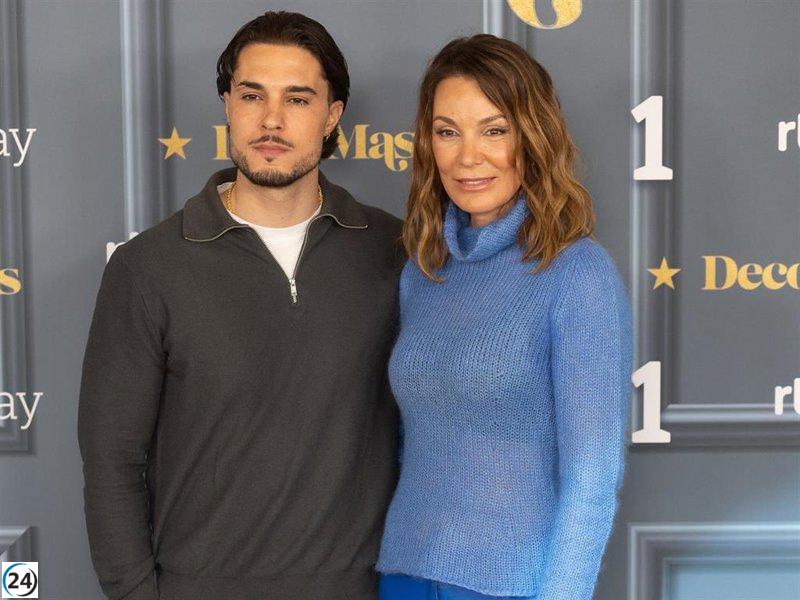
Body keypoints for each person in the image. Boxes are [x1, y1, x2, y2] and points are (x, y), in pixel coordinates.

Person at [78, 11, 403, 600]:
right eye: (252, 95)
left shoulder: (394, 250)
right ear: (228, 105)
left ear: (332, 116)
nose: (271, 120)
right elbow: (111, 459)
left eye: (297, 99)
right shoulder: (147, 266)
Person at [376, 34, 634, 600]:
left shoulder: (576, 274)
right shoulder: (423, 272)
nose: (468, 157)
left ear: (533, 137)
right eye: (448, 132)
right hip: (404, 573)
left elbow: (592, 478)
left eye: (494, 130)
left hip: (511, 584)